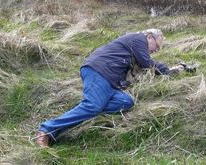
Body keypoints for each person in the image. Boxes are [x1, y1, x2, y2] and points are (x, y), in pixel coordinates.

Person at [35, 28, 184, 147]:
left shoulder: (134, 44)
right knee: (93, 106)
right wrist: (168, 71)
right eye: (157, 46)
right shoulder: (138, 39)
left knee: (126, 101)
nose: (156, 50)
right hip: (99, 71)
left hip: (111, 81)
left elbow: (142, 68)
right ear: (150, 37)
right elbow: (147, 63)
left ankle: (85, 107)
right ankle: (47, 130)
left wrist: (172, 70)